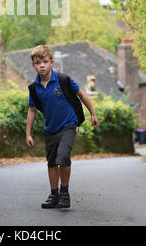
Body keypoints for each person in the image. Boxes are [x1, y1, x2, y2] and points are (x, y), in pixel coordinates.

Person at [26, 45, 99, 209]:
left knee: (63, 157)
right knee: (51, 163)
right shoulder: (34, 88)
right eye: (38, 63)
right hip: (50, 129)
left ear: (51, 62)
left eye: (45, 62)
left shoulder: (63, 80)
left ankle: (64, 193)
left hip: (68, 125)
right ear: (33, 65)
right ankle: (54, 195)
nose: (42, 65)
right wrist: (28, 134)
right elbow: (31, 111)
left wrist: (93, 114)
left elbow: (82, 94)